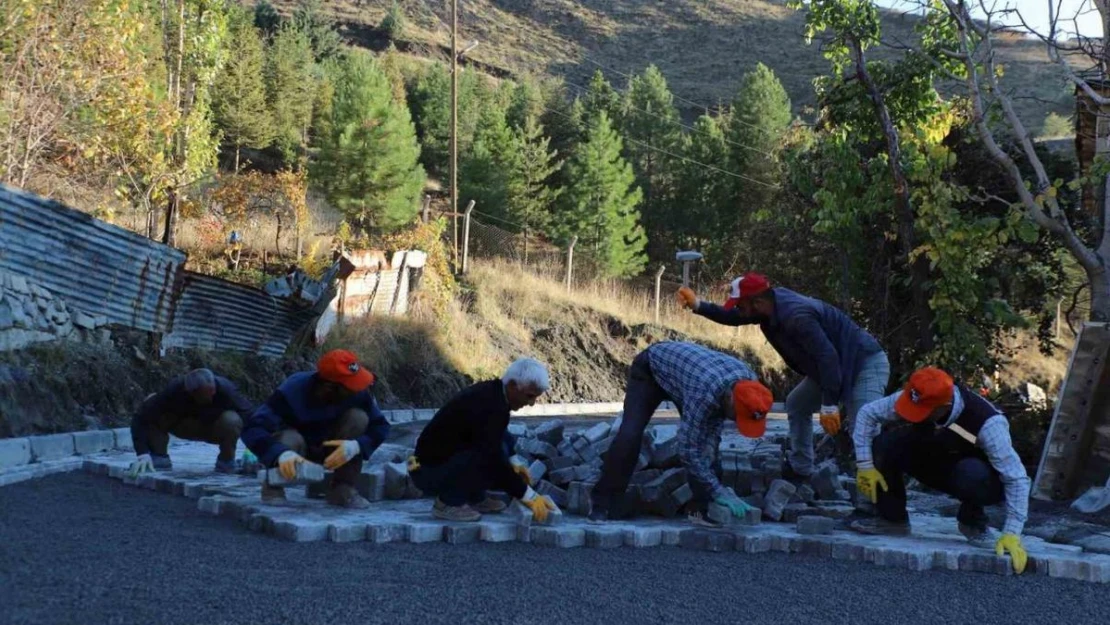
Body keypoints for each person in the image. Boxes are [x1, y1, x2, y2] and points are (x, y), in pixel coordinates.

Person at [678, 272, 889, 480]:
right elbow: (734, 316)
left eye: (739, 305)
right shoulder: (768, 307)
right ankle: (801, 468)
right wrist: (698, 305)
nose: (737, 310)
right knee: (797, 404)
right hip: (832, 368)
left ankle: (875, 503)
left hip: (863, 363)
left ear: (757, 302)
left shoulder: (797, 317)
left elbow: (828, 358)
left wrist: (829, 405)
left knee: (864, 427)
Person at [849, 367, 1030, 574]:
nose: (913, 413)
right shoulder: (920, 394)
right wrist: (865, 466)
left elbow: (1016, 479)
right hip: (937, 461)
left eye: (922, 411)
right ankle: (892, 519)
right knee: (885, 444)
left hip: (975, 476)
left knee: (972, 473)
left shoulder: (989, 424)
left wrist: (1012, 533)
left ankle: (973, 522)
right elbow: (867, 413)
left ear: (943, 406)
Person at [589, 341, 774, 525]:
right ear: (729, 400)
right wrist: (717, 489)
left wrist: (717, 488)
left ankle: (702, 509)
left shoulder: (751, 387)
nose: (735, 422)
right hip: (651, 369)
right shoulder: (703, 394)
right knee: (630, 434)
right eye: (736, 417)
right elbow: (687, 450)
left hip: (686, 377)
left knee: (708, 447)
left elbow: (712, 434)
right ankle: (603, 503)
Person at [408, 358, 556, 522]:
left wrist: (514, 460)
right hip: (428, 472)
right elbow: (492, 458)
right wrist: (528, 495)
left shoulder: (495, 396)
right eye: (529, 396)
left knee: (500, 448)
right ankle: (447, 503)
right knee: (485, 457)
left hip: (440, 462)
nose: (531, 403)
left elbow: (501, 434)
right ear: (513, 385)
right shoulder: (486, 404)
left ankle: (473, 497)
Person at [241, 349, 390, 509]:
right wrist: (280, 454)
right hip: (295, 453)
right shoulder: (293, 391)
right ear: (329, 387)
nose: (356, 390)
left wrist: (357, 446)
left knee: (358, 418)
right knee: (289, 438)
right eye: (349, 387)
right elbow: (252, 428)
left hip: (333, 450)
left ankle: (342, 488)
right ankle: (273, 487)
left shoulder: (357, 394)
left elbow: (381, 426)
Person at [128, 368, 252, 476]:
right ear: (192, 392)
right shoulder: (174, 390)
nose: (213, 394)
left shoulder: (226, 389)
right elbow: (141, 417)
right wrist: (142, 453)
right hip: (183, 426)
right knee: (153, 406)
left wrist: (252, 450)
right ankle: (159, 456)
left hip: (214, 428)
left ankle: (226, 462)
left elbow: (249, 415)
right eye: (207, 393)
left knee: (232, 420)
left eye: (213, 390)